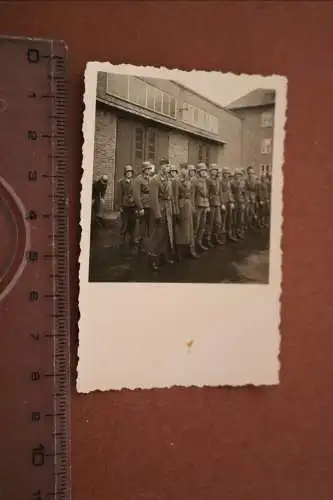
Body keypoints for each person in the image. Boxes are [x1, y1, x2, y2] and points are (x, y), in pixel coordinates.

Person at [149, 159, 175, 270]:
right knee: (157, 236)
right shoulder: (155, 180)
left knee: (167, 235)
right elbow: (154, 199)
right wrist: (158, 214)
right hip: (160, 209)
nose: (167, 168)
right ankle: (154, 259)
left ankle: (165, 257)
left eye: (168, 166)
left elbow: (171, 196)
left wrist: (172, 210)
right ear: (161, 167)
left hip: (167, 209)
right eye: (165, 166)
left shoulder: (168, 179)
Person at [172, 162, 198, 260]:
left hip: (188, 206)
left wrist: (193, 207)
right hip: (181, 206)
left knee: (189, 230)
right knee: (180, 230)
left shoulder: (190, 181)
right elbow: (175, 197)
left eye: (186, 169)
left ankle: (190, 250)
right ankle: (179, 253)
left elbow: (192, 195)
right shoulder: (176, 181)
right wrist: (176, 211)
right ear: (180, 170)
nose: (184, 171)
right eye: (182, 169)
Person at [115, 165, 137, 255]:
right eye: (128, 172)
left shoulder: (134, 182)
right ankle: (122, 241)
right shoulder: (121, 182)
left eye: (130, 172)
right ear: (125, 173)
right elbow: (119, 195)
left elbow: (136, 193)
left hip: (132, 205)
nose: (129, 173)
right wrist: (119, 206)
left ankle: (132, 239)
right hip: (125, 206)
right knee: (124, 223)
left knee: (133, 222)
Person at [133, 161, 153, 253]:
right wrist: (140, 207)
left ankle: (148, 246)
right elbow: (136, 195)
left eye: (150, 169)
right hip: (143, 206)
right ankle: (141, 246)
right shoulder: (138, 180)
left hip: (150, 205)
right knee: (142, 226)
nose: (149, 170)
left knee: (150, 226)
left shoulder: (151, 178)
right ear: (144, 169)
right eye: (147, 169)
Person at [193, 162, 210, 251]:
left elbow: (207, 194)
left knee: (202, 226)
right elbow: (193, 195)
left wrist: (207, 205)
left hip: (204, 205)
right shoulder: (195, 181)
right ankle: (192, 246)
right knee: (196, 226)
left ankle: (198, 243)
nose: (204, 172)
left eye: (205, 170)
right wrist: (193, 207)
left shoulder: (205, 181)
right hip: (197, 205)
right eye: (202, 171)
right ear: (198, 171)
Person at [206, 163, 223, 246]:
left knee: (218, 221)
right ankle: (208, 239)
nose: (215, 171)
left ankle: (215, 237)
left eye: (216, 170)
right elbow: (207, 193)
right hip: (211, 202)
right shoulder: (208, 180)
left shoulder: (218, 180)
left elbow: (220, 193)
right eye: (213, 170)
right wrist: (208, 205)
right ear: (210, 171)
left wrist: (222, 203)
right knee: (210, 222)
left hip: (218, 203)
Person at [220, 167, 237, 243]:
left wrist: (232, 201)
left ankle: (229, 235)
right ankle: (222, 237)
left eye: (227, 173)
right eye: (225, 173)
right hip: (224, 201)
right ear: (223, 173)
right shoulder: (220, 181)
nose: (226, 174)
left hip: (229, 201)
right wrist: (222, 203)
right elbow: (220, 193)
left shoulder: (228, 181)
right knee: (223, 219)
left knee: (229, 219)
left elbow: (229, 191)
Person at [231, 168, 246, 239]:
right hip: (234, 201)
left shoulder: (242, 182)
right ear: (235, 175)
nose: (238, 176)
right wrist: (232, 202)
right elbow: (231, 192)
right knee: (234, 218)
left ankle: (238, 232)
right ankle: (233, 233)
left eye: (239, 174)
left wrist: (243, 202)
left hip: (240, 201)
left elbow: (243, 193)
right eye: (237, 174)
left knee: (240, 218)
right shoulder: (232, 182)